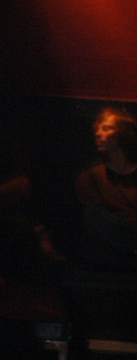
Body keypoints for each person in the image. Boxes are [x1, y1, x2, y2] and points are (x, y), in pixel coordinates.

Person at [76, 107, 137, 270]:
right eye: (97, 129)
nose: (98, 134)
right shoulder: (90, 174)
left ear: (124, 133)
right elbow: (96, 220)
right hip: (110, 256)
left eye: (106, 128)